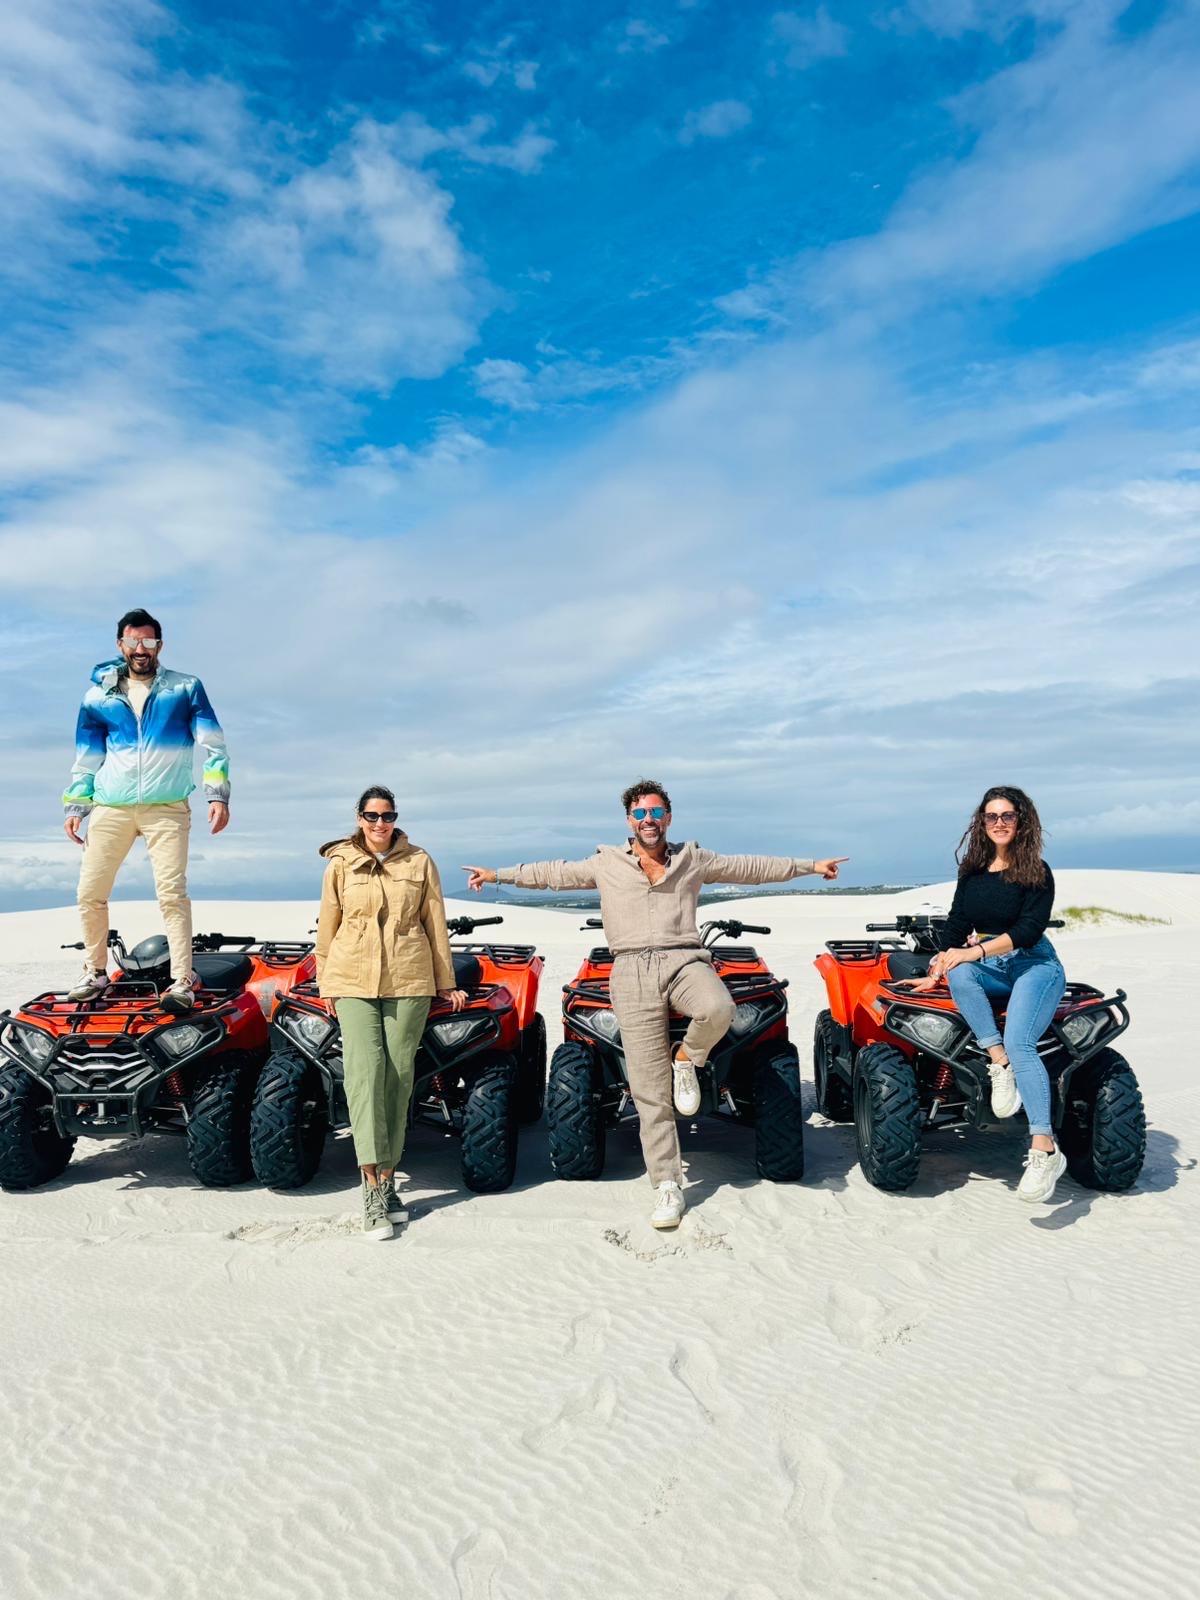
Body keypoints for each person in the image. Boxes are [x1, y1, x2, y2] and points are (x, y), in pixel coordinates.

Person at [464, 780, 846, 1230]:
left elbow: (750, 867)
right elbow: (553, 874)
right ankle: (667, 1184)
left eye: (656, 812)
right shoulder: (606, 863)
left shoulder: (692, 858)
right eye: (640, 814)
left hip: (685, 960)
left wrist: (809, 866)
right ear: (630, 820)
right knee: (648, 1089)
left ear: (668, 817)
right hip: (631, 969)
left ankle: (687, 1059)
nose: (649, 820)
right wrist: (498, 875)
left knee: (717, 1008)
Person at [898, 786, 1067, 1204]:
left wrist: (971, 951)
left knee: (1021, 1041)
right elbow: (957, 923)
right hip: (990, 965)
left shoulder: (1036, 871)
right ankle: (997, 1062)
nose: (999, 823)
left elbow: (1029, 931)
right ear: (981, 822)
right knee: (960, 976)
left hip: (1034, 964)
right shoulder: (972, 871)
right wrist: (937, 969)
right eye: (991, 816)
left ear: (1022, 820)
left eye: (1007, 815)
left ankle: (1044, 1148)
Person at [316, 786, 467, 1240]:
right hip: (352, 980)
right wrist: (326, 981)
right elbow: (329, 922)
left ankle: (389, 1179)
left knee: (400, 1078)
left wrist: (446, 983)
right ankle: (371, 1188)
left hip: (408, 979)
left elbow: (434, 922)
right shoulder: (340, 863)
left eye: (387, 815)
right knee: (365, 1075)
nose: (379, 823)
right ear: (359, 818)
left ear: (395, 818)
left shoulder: (419, 862)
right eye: (371, 815)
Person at [62, 608, 230, 1014]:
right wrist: (76, 804)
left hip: (167, 807)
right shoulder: (97, 696)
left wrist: (217, 795)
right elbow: (88, 755)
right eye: (133, 641)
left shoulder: (185, 688)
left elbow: (213, 744)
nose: (141, 649)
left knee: (172, 894)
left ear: (160, 644)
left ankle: (182, 979)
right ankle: (95, 971)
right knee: (90, 893)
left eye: (149, 641)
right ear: (120, 644)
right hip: (110, 806)